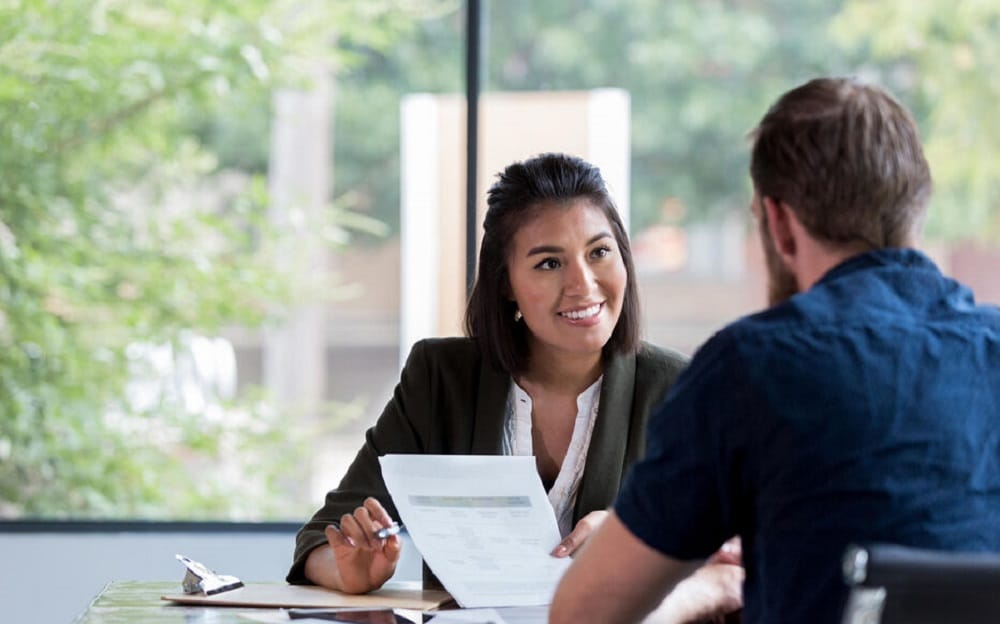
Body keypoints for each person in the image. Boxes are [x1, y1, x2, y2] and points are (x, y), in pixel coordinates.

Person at [551, 77, 1000, 623]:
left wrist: (712, 583)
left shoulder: (752, 367)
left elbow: (583, 614)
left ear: (780, 223)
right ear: (917, 207)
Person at [286, 152, 689, 594]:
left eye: (599, 252)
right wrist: (347, 569)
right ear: (505, 283)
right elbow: (321, 537)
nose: (584, 284)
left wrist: (638, 540)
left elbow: (733, 551)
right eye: (549, 263)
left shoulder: (676, 390)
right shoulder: (440, 378)